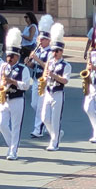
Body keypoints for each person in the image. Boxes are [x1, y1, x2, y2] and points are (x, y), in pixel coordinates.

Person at [0, 28, 32, 160]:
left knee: (16, 126)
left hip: (17, 99)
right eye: (8, 56)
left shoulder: (23, 69)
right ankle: (12, 145)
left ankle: (13, 151)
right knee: (2, 124)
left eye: (12, 56)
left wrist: (13, 82)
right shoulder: (3, 67)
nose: (9, 58)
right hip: (4, 99)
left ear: (17, 56)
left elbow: (26, 85)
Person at [41, 23, 71, 151]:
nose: (54, 53)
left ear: (62, 51)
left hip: (58, 92)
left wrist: (53, 75)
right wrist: (44, 77)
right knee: (44, 118)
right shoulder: (50, 62)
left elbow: (65, 80)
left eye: (57, 51)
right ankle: (56, 134)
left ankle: (54, 142)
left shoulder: (66, 65)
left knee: (55, 119)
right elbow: (44, 75)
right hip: (48, 91)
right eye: (53, 50)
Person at [25, 14, 53, 138]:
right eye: (39, 39)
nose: (40, 42)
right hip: (35, 79)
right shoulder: (39, 51)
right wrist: (29, 63)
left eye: (42, 40)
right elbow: (34, 66)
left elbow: (47, 66)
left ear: (48, 40)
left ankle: (38, 129)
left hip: (45, 81)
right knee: (34, 104)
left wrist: (36, 58)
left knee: (40, 106)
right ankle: (48, 122)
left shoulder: (51, 52)